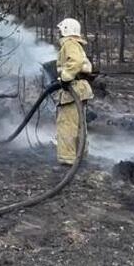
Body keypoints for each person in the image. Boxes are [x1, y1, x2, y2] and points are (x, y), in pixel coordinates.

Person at [55, 17, 93, 165]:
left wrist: (65, 77)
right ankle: (80, 155)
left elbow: (75, 62)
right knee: (78, 125)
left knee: (67, 124)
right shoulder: (76, 44)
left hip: (73, 89)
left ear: (66, 30)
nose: (59, 33)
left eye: (60, 30)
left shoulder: (69, 43)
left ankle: (68, 159)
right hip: (80, 88)